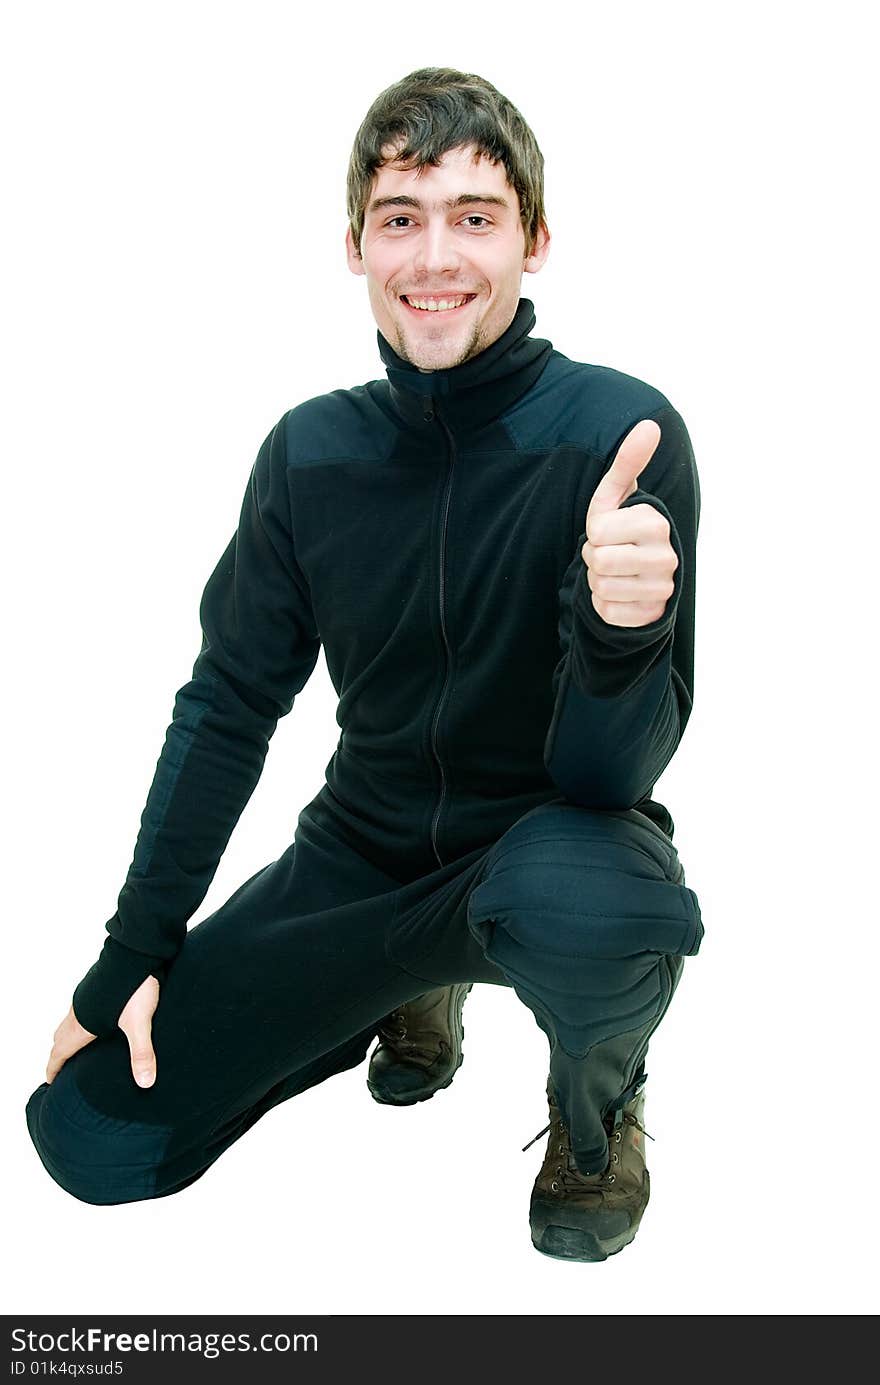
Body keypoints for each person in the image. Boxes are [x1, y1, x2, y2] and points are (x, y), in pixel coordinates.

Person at [25, 66, 704, 1263]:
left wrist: (622, 630)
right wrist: (130, 954)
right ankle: (405, 990)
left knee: (610, 903)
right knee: (92, 1138)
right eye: (402, 217)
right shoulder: (309, 454)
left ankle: (597, 1117)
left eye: (474, 217)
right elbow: (228, 705)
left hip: (543, 853)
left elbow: (609, 773)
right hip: (362, 855)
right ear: (356, 245)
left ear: (533, 241)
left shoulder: (616, 437)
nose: (434, 256)